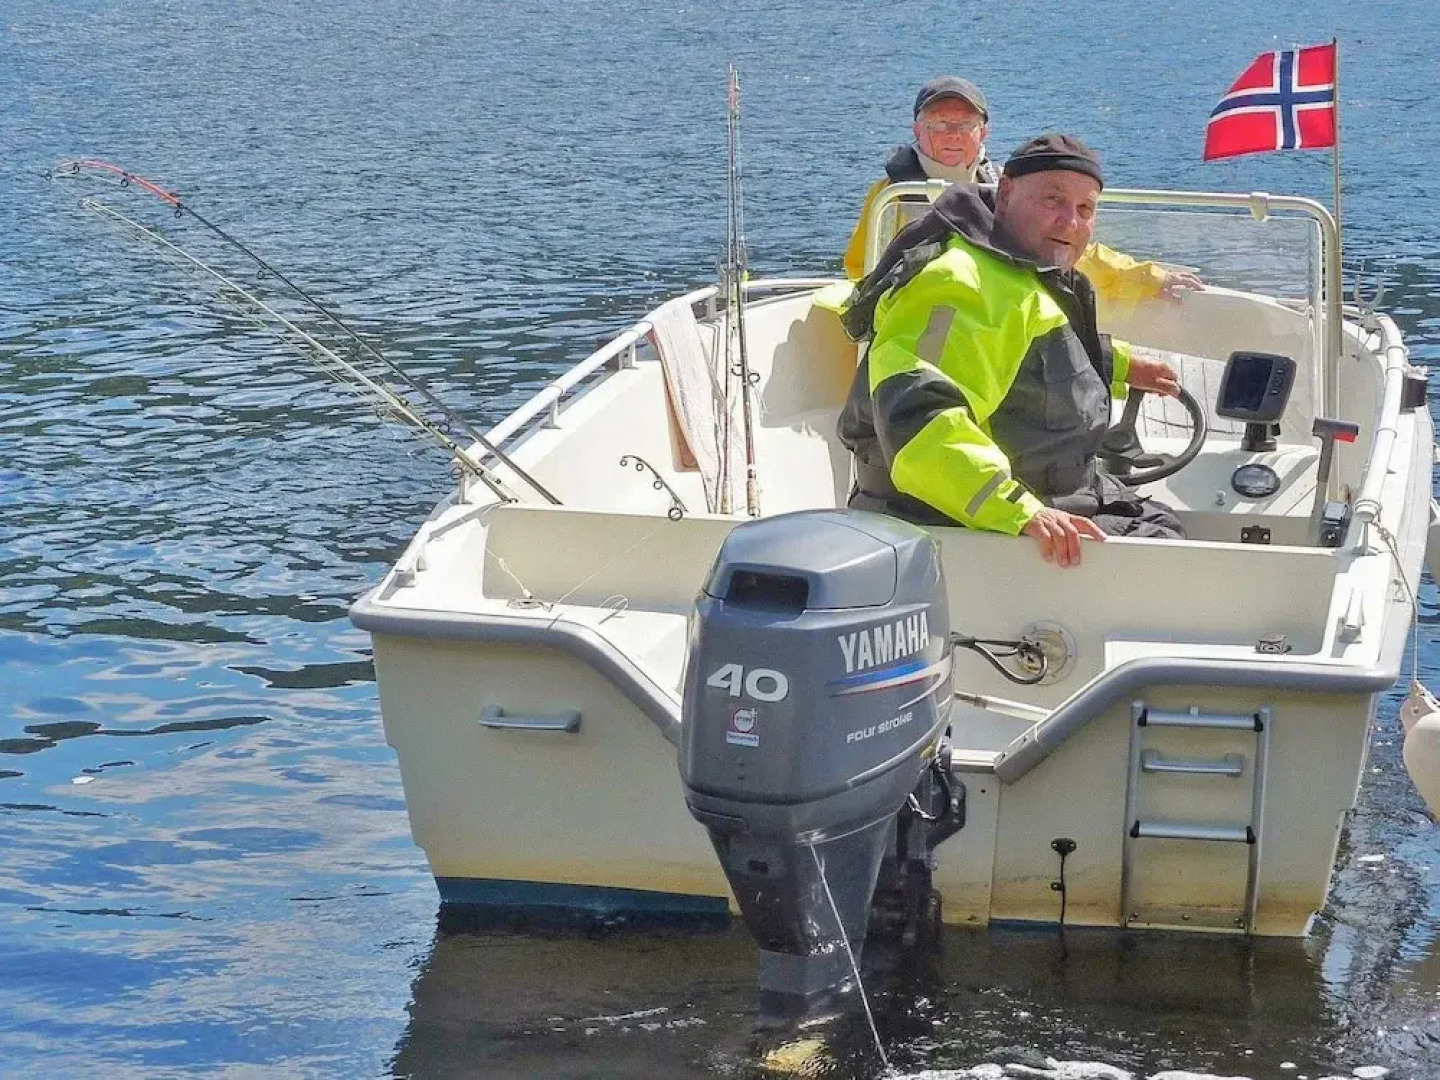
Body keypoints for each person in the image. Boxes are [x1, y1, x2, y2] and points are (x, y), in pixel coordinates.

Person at [836, 133, 1186, 569]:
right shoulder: (958, 283)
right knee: (1171, 552)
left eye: (1084, 209)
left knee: (1166, 526)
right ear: (1005, 193)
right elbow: (921, 419)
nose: (1070, 222)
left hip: (1033, 496)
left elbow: (1026, 353)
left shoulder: (1016, 268)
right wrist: (1022, 512)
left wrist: (1122, 366)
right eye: (1052, 200)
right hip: (952, 522)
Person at [841, 77, 1203, 303]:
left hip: (996, 308)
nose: (953, 134)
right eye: (939, 123)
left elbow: (1068, 246)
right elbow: (862, 267)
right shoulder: (891, 194)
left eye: (965, 124)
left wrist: (1147, 278)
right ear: (917, 131)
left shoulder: (1002, 187)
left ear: (983, 133)